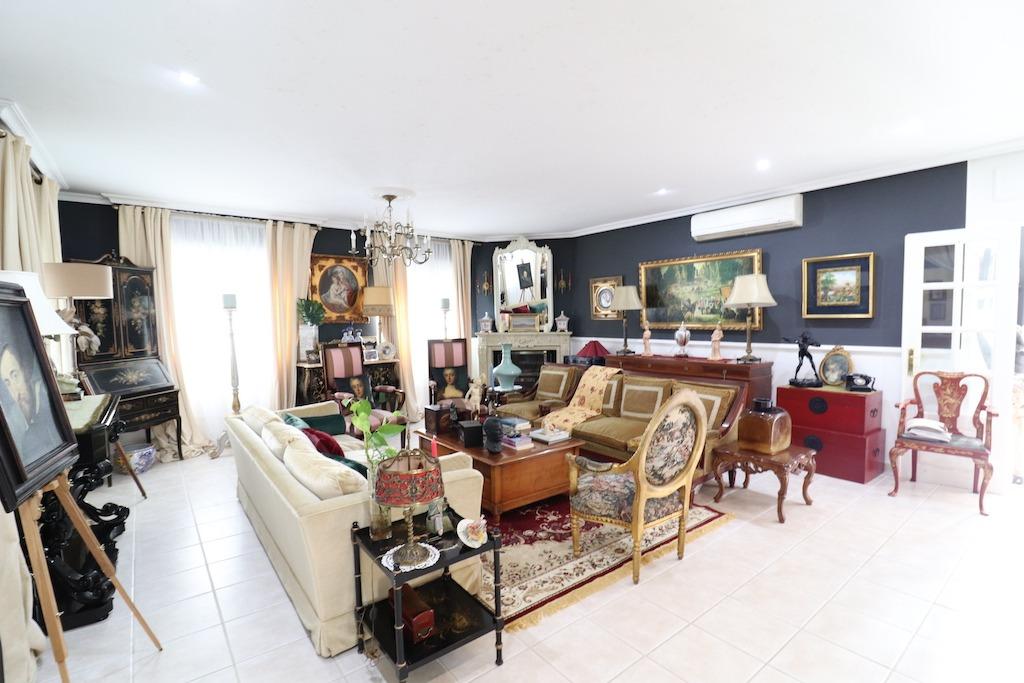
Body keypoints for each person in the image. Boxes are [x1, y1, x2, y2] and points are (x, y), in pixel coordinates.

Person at [0, 342, 61, 463]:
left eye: (15, 376)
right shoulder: (13, 417)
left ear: (27, 370)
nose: (16, 393)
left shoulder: (48, 398)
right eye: (8, 383)